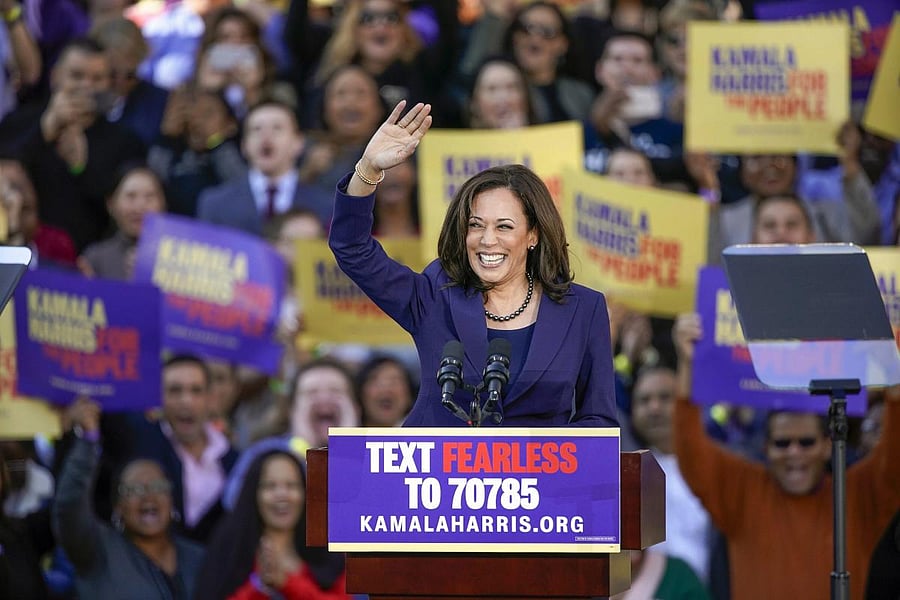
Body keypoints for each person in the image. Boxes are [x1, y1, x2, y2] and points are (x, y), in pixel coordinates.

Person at [329, 100, 617, 428]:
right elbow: (352, 249)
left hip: (539, 478)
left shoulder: (584, 309)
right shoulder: (435, 295)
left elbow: (599, 421)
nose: (486, 239)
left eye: (504, 227)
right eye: (475, 224)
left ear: (533, 234)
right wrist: (368, 170)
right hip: (437, 475)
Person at [671, 313, 900, 600]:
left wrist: (892, 374)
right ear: (765, 448)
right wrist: (688, 363)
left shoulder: (855, 496)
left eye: (806, 442)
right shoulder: (742, 491)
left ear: (829, 445)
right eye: (782, 443)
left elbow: (894, 460)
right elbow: (692, 452)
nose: (794, 453)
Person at [55, 397, 204, 599]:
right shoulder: (97, 552)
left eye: (158, 487)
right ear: (118, 507)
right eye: (133, 490)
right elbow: (68, 504)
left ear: (172, 500)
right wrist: (88, 437)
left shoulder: (201, 559)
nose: (148, 496)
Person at [195, 450, 349, 600]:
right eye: (270, 486)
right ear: (253, 494)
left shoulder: (325, 552)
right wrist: (259, 587)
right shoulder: (230, 549)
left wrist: (287, 583)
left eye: (292, 485)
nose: (282, 494)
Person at [197, 98, 332, 234]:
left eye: (277, 128)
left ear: (298, 143)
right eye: (257, 129)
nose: (266, 136)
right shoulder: (214, 204)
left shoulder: (327, 205)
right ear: (244, 145)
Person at [78, 164, 166, 280]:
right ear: (110, 204)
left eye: (149, 197)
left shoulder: (183, 260)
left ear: (163, 204)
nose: (139, 207)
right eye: (131, 196)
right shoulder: (95, 259)